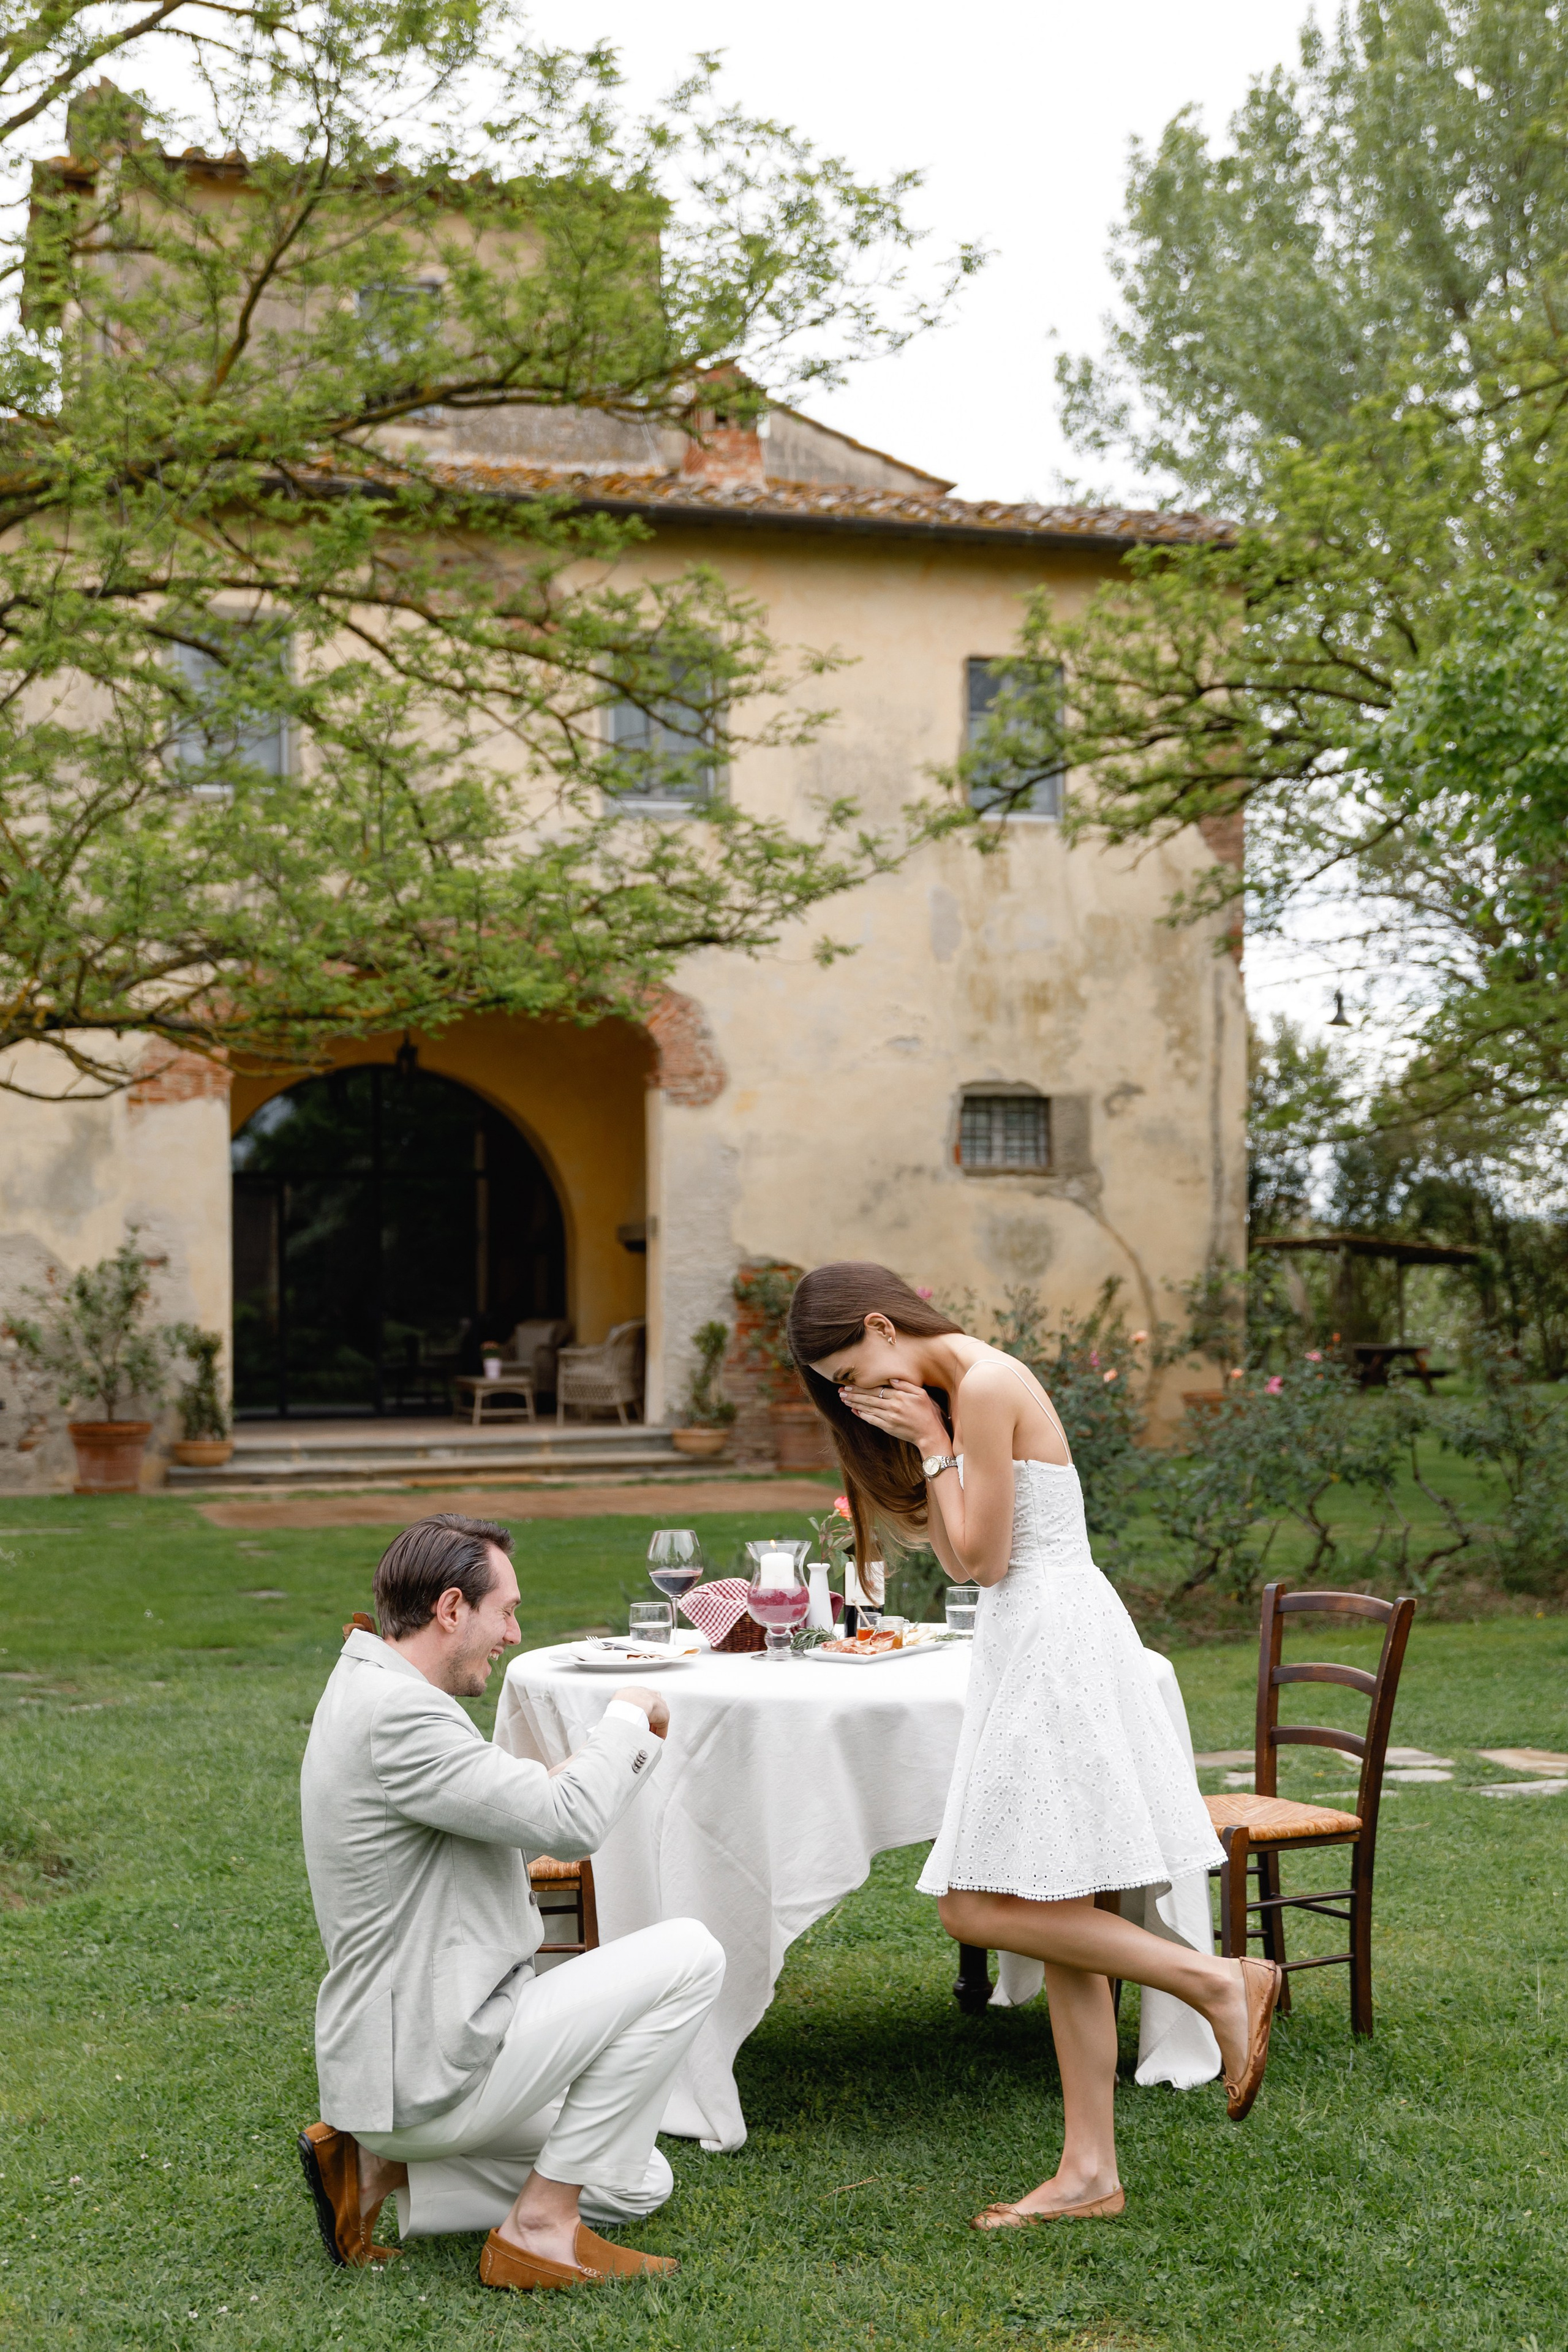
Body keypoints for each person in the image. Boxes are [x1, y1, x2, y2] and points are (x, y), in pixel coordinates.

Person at [786, 1264, 1281, 2229]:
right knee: (1059, 1911)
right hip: (1036, 1640)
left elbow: (982, 1561)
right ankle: (1088, 2171)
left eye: (850, 1372)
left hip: (1053, 1642)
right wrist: (926, 1452)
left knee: (974, 1907)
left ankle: (1221, 1978)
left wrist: (930, 1443)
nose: (855, 1397)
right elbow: (970, 1552)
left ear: (883, 1327)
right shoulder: (968, 1389)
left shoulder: (982, 1387)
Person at [296, 1512, 724, 2291]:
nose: (514, 1633)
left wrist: (572, 1775)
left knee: (637, 2183)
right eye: (507, 1611)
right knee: (691, 1952)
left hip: (407, 2067)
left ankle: (377, 2168)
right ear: (451, 1608)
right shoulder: (403, 1717)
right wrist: (627, 1714)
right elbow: (571, 1822)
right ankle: (538, 2227)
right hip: (429, 2063)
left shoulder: (369, 1682)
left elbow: (511, 1816)